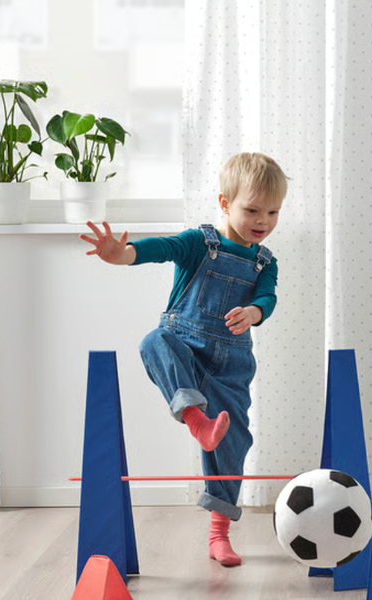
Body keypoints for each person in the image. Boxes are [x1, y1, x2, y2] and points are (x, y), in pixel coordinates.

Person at [81, 152, 288, 566]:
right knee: (153, 341)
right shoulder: (200, 243)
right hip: (185, 352)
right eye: (252, 209)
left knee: (233, 445)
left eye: (272, 212)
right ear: (226, 203)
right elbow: (161, 248)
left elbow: (268, 295)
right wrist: (122, 255)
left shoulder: (266, 261)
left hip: (231, 365)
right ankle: (196, 420)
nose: (262, 220)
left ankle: (219, 535)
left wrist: (254, 312)